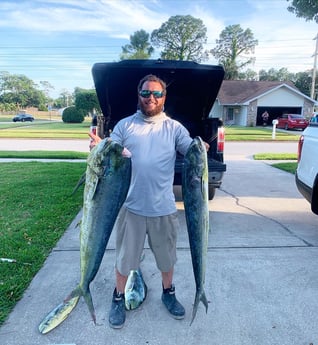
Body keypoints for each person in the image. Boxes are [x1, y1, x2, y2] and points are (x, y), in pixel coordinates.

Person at [89, 74, 209, 329]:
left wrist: (201, 148)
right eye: (146, 93)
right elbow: (112, 150)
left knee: (167, 260)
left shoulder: (174, 128)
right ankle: (118, 297)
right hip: (131, 207)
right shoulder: (124, 126)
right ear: (139, 95)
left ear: (164, 98)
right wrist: (100, 147)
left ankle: (168, 293)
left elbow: (189, 148)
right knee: (124, 261)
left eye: (156, 94)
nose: (151, 98)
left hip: (163, 208)